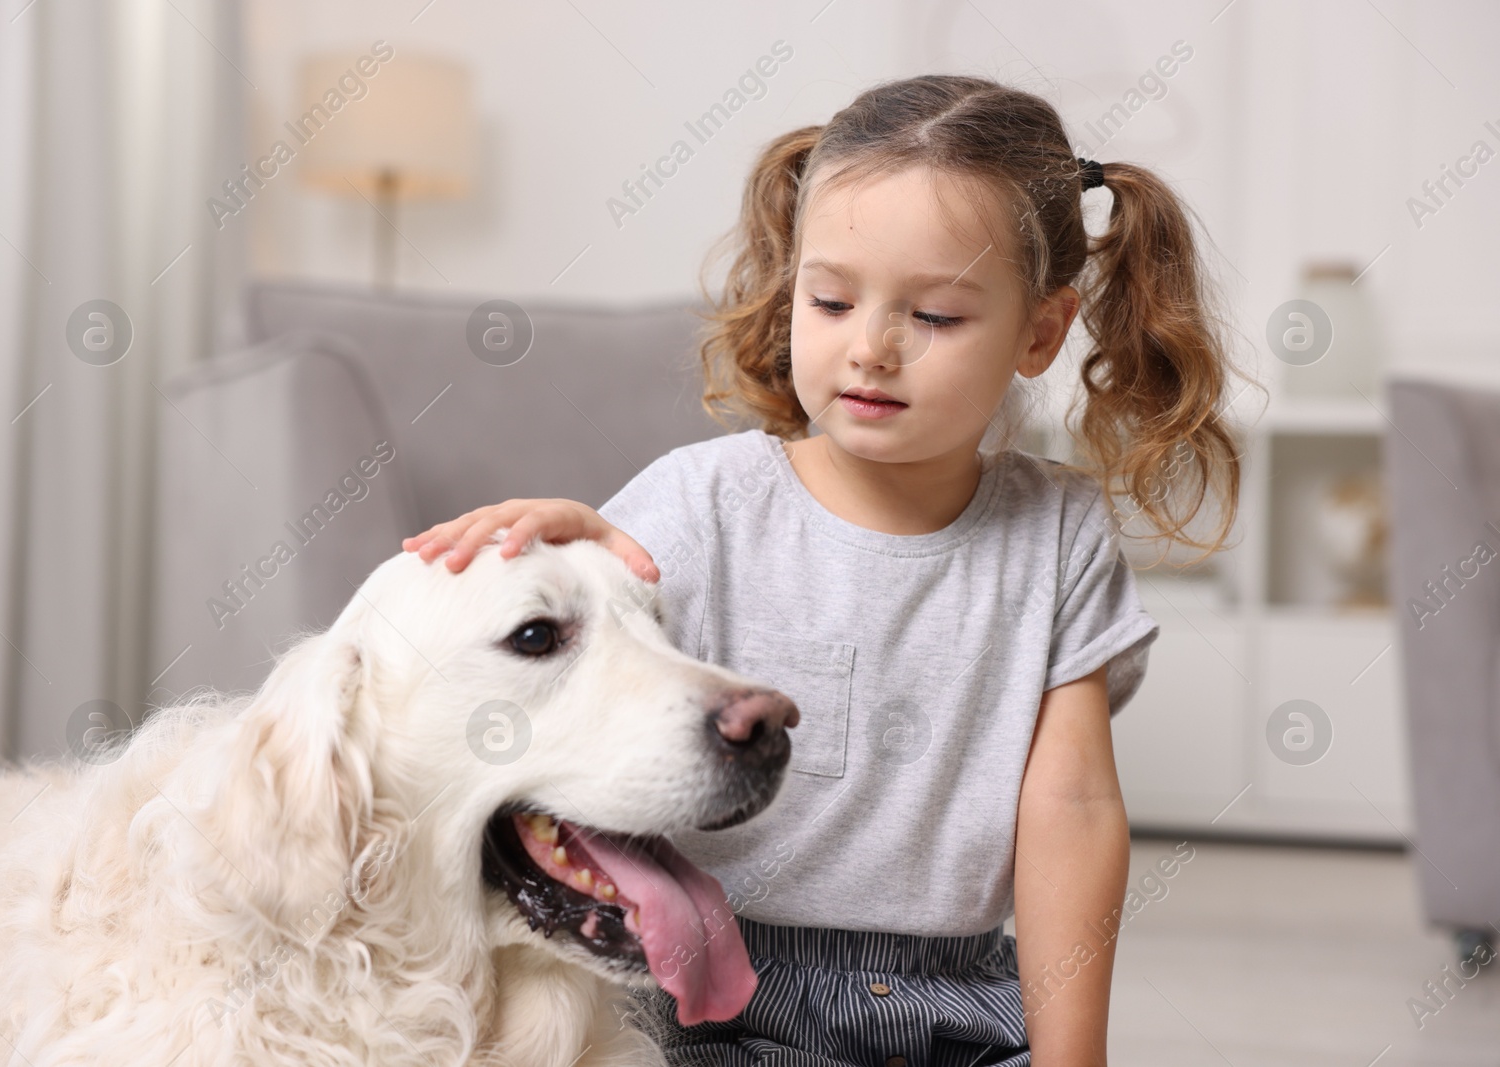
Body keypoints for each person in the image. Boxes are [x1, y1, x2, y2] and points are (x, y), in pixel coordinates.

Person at [403, 73, 1242, 1067]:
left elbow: (1072, 812)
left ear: (1040, 332)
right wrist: (574, 555)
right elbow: (581, 671)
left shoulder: (1057, 533)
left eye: (933, 317)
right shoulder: (702, 499)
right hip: (717, 994)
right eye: (832, 299)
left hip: (961, 1004)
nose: (871, 348)